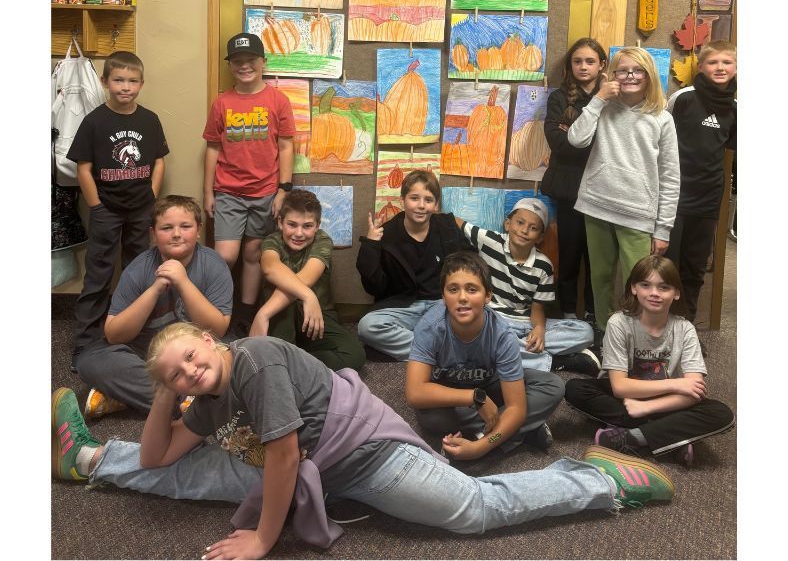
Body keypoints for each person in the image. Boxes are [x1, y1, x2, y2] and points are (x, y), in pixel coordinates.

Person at [52, 323, 675, 560]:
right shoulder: (208, 395)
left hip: (363, 452)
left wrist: (264, 538)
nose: (188, 373)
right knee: (187, 475)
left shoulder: (252, 361)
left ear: (212, 342)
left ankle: (599, 479)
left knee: (472, 511)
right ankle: (85, 455)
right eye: (176, 376)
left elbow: (284, 454)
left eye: (190, 358)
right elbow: (161, 454)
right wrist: (165, 392)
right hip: (302, 463)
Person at [564, 255, 734, 466]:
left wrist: (646, 408)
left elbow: (695, 392)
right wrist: (678, 383)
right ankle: (672, 437)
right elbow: (619, 387)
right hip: (627, 396)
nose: (654, 293)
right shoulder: (619, 323)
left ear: (676, 293)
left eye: (664, 287)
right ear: (634, 288)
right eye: (646, 285)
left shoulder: (685, 329)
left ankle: (631, 436)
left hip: (664, 400)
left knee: (721, 413)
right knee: (575, 388)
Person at [74, 195, 233, 417]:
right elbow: (114, 334)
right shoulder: (138, 269)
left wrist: (183, 283)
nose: (176, 234)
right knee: (90, 360)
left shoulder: (214, 265)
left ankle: (126, 396)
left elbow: (217, 330)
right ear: (153, 234)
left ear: (198, 230)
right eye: (166, 228)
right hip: (149, 354)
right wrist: (154, 290)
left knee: (235, 354)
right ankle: (189, 401)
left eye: (185, 226)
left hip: (193, 356)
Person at [67, 50, 169, 369]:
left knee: (138, 272)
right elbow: (84, 168)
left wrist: (151, 197)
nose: (125, 87)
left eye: (132, 81)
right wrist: (96, 206)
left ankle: (136, 338)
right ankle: (85, 343)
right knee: (98, 275)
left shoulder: (149, 120)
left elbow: (158, 161)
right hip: (106, 210)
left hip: (141, 210)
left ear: (141, 84)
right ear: (105, 82)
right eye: (118, 80)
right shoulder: (94, 121)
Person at [568, 47, 680, 331]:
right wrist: (598, 99)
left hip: (638, 214)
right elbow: (576, 140)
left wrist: (663, 228)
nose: (631, 76)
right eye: (623, 70)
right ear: (612, 75)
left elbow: (670, 176)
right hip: (597, 205)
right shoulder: (602, 106)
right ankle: (607, 336)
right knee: (601, 279)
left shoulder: (662, 117)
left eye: (638, 70)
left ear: (649, 75)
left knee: (640, 283)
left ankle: (637, 338)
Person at [406, 252, 562, 455]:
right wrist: (474, 397)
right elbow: (415, 393)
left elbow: (516, 407)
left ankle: (485, 436)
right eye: (453, 290)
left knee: (553, 386)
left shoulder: (502, 334)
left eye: (472, 290)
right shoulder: (429, 327)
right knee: (431, 418)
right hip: (454, 396)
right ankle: (520, 429)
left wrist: (480, 448)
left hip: (492, 386)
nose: (462, 298)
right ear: (443, 296)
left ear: (488, 296)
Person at [203, 33, 295, 335]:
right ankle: (215, 310)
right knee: (225, 256)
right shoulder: (222, 103)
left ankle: (244, 313)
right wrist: (208, 192)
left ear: (263, 63)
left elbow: (285, 146)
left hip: (265, 192)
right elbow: (213, 148)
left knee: (253, 255)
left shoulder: (277, 100)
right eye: (238, 62)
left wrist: (284, 188)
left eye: (251, 61)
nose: (245, 66)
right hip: (228, 191)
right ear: (231, 66)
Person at [457, 198, 599, 376]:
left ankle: (514, 348)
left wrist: (539, 329)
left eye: (533, 228)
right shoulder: (489, 241)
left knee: (585, 332)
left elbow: (538, 309)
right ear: (507, 224)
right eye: (520, 223)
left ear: (540, 237)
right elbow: (457, 223)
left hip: (525, 324)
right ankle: (553, 361)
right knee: (475, 333)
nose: (524, 231)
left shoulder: (544, 266)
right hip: (493, 319)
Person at [356, 170, 472, 360]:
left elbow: (469, 265)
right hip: (405, 307)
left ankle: (426, 351)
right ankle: (441, 353)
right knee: (366, 327)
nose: (421, 206)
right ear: (402, 201)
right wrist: (371, 245)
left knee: (480, 318)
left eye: (428, 200)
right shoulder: (387, 234)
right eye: (414, 198)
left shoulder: (446, 227)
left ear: (435, 205)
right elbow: (373, 286)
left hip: (441, 304)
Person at [250, 189, 365, 371]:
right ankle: (287, 359)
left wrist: (263, 313)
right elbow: (271, 268)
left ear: (318, 225)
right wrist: (306, 295)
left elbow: (307, 278)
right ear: (280, 222)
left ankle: (290, 362)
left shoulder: (322, 240)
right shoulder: (272, 241)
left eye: (307, 226)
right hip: (280, 313)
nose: (299, 233)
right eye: (292, 224)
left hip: (316, 314)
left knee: (354, 355)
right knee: (281, 326)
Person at [666, 41, 737, 322]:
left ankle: (687, 326)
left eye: (726, 62)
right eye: (713, 62)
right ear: (701, 66)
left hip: (708, 200)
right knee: (667, 266)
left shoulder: (735, 108)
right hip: (675, 197)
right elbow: (662, 140)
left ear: (735, 67)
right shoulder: (683, 98)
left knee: (695, 268)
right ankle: (661, 325)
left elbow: (728, 150)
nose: (720, 67)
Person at [542, 38, 608, 326]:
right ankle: (568, 312)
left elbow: (610, 144)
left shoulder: (611, 96)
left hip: (604, 186)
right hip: (569, 188)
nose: (583, 66)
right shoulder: (559, 97)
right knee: (569, 254)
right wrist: (576, 139)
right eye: (577, 61)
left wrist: (574, 133)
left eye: (590, 61)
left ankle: (595, 315)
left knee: (598, 258)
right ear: (570, 65)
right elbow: (557, 142)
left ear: (602, 65)